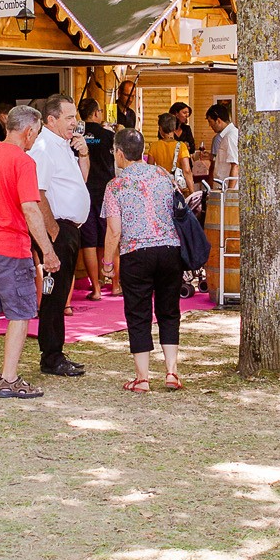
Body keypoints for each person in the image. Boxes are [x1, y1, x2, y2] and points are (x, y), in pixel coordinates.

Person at [0, 104, 61, 399]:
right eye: (36, 133)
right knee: (20, 312)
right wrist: (48, 250)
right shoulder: (23, 162)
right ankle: (9, 379)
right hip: (10, 246)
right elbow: (30, 209)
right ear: (29, 130)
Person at [100, 128, 186, 393]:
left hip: (136, 253)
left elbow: (114, 230)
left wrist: (107, 263)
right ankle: (171, 372)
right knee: (169, 311)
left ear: (119, 153)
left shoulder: (116, 185)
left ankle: (143, 377)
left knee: (138, 313)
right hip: (170, 249)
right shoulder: (162, 175)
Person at [31, 96, 91, 376]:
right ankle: (51, 355)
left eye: (75, 117)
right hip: (58, 228)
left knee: (62, 290)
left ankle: (57, 351)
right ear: (51, 120)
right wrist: (52, 230)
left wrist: (84, 155)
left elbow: (80, 181)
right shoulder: (44, 147)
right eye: (69, 118)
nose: (74, 123)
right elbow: (38, 192)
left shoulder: (62, 145)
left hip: (69, 227)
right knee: (54, 294)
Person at [76, 97, 116, 301]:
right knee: (109, 236)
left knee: (88, 242)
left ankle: (97, 288)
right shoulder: (107, 136)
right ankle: (115, 284)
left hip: (84, 191)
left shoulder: (76, 138)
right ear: (96, 113)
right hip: (106, 190)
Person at [146, 111, 193, 189]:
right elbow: (187, 170)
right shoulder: (181, 146)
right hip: (176, 187)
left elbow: (150, 169)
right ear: (174, 128)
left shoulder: (154, 146)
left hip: (161, 186)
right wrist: (192, 191)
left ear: (160, 128)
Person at [206, 102, 240, 185]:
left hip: (226, 187)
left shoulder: (230, 136)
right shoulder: (227, 135)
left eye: (210, 122)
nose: (210, 125)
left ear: (218, 121)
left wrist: (230, 193)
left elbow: (235, 165)